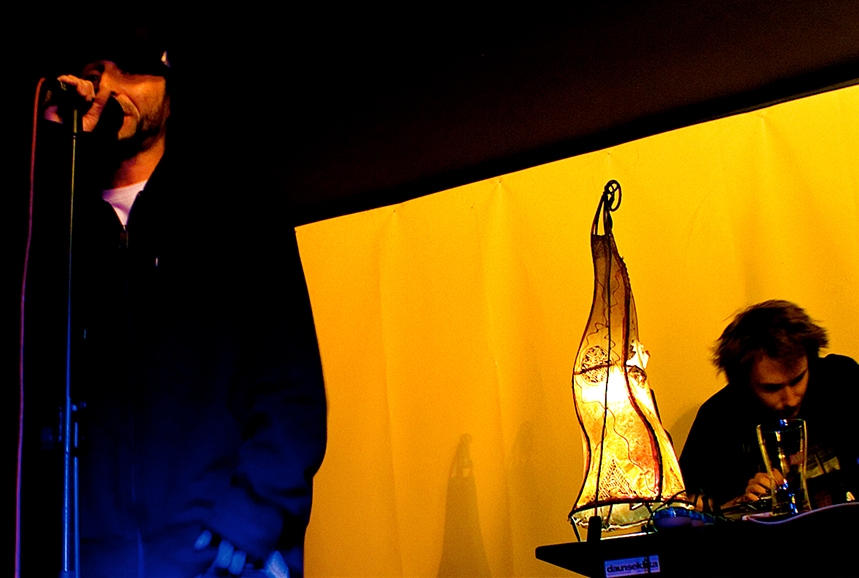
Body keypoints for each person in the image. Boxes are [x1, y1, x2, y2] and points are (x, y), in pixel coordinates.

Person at [21, 26, 327, 577]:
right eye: (95, 71)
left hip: (220, 553)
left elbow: (291, 383)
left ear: (169, 85)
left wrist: (248, 522)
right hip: (94, 558)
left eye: (131, 69)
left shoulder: (236, 204)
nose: (109, 85)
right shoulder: (52, 228)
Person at [679, 300, 859, 512]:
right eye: (772, 388)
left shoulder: (841, 379)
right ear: (743, 383)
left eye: (797, 380)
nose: (791, 399)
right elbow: (685, 504)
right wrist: (740, 504)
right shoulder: (719, 417)